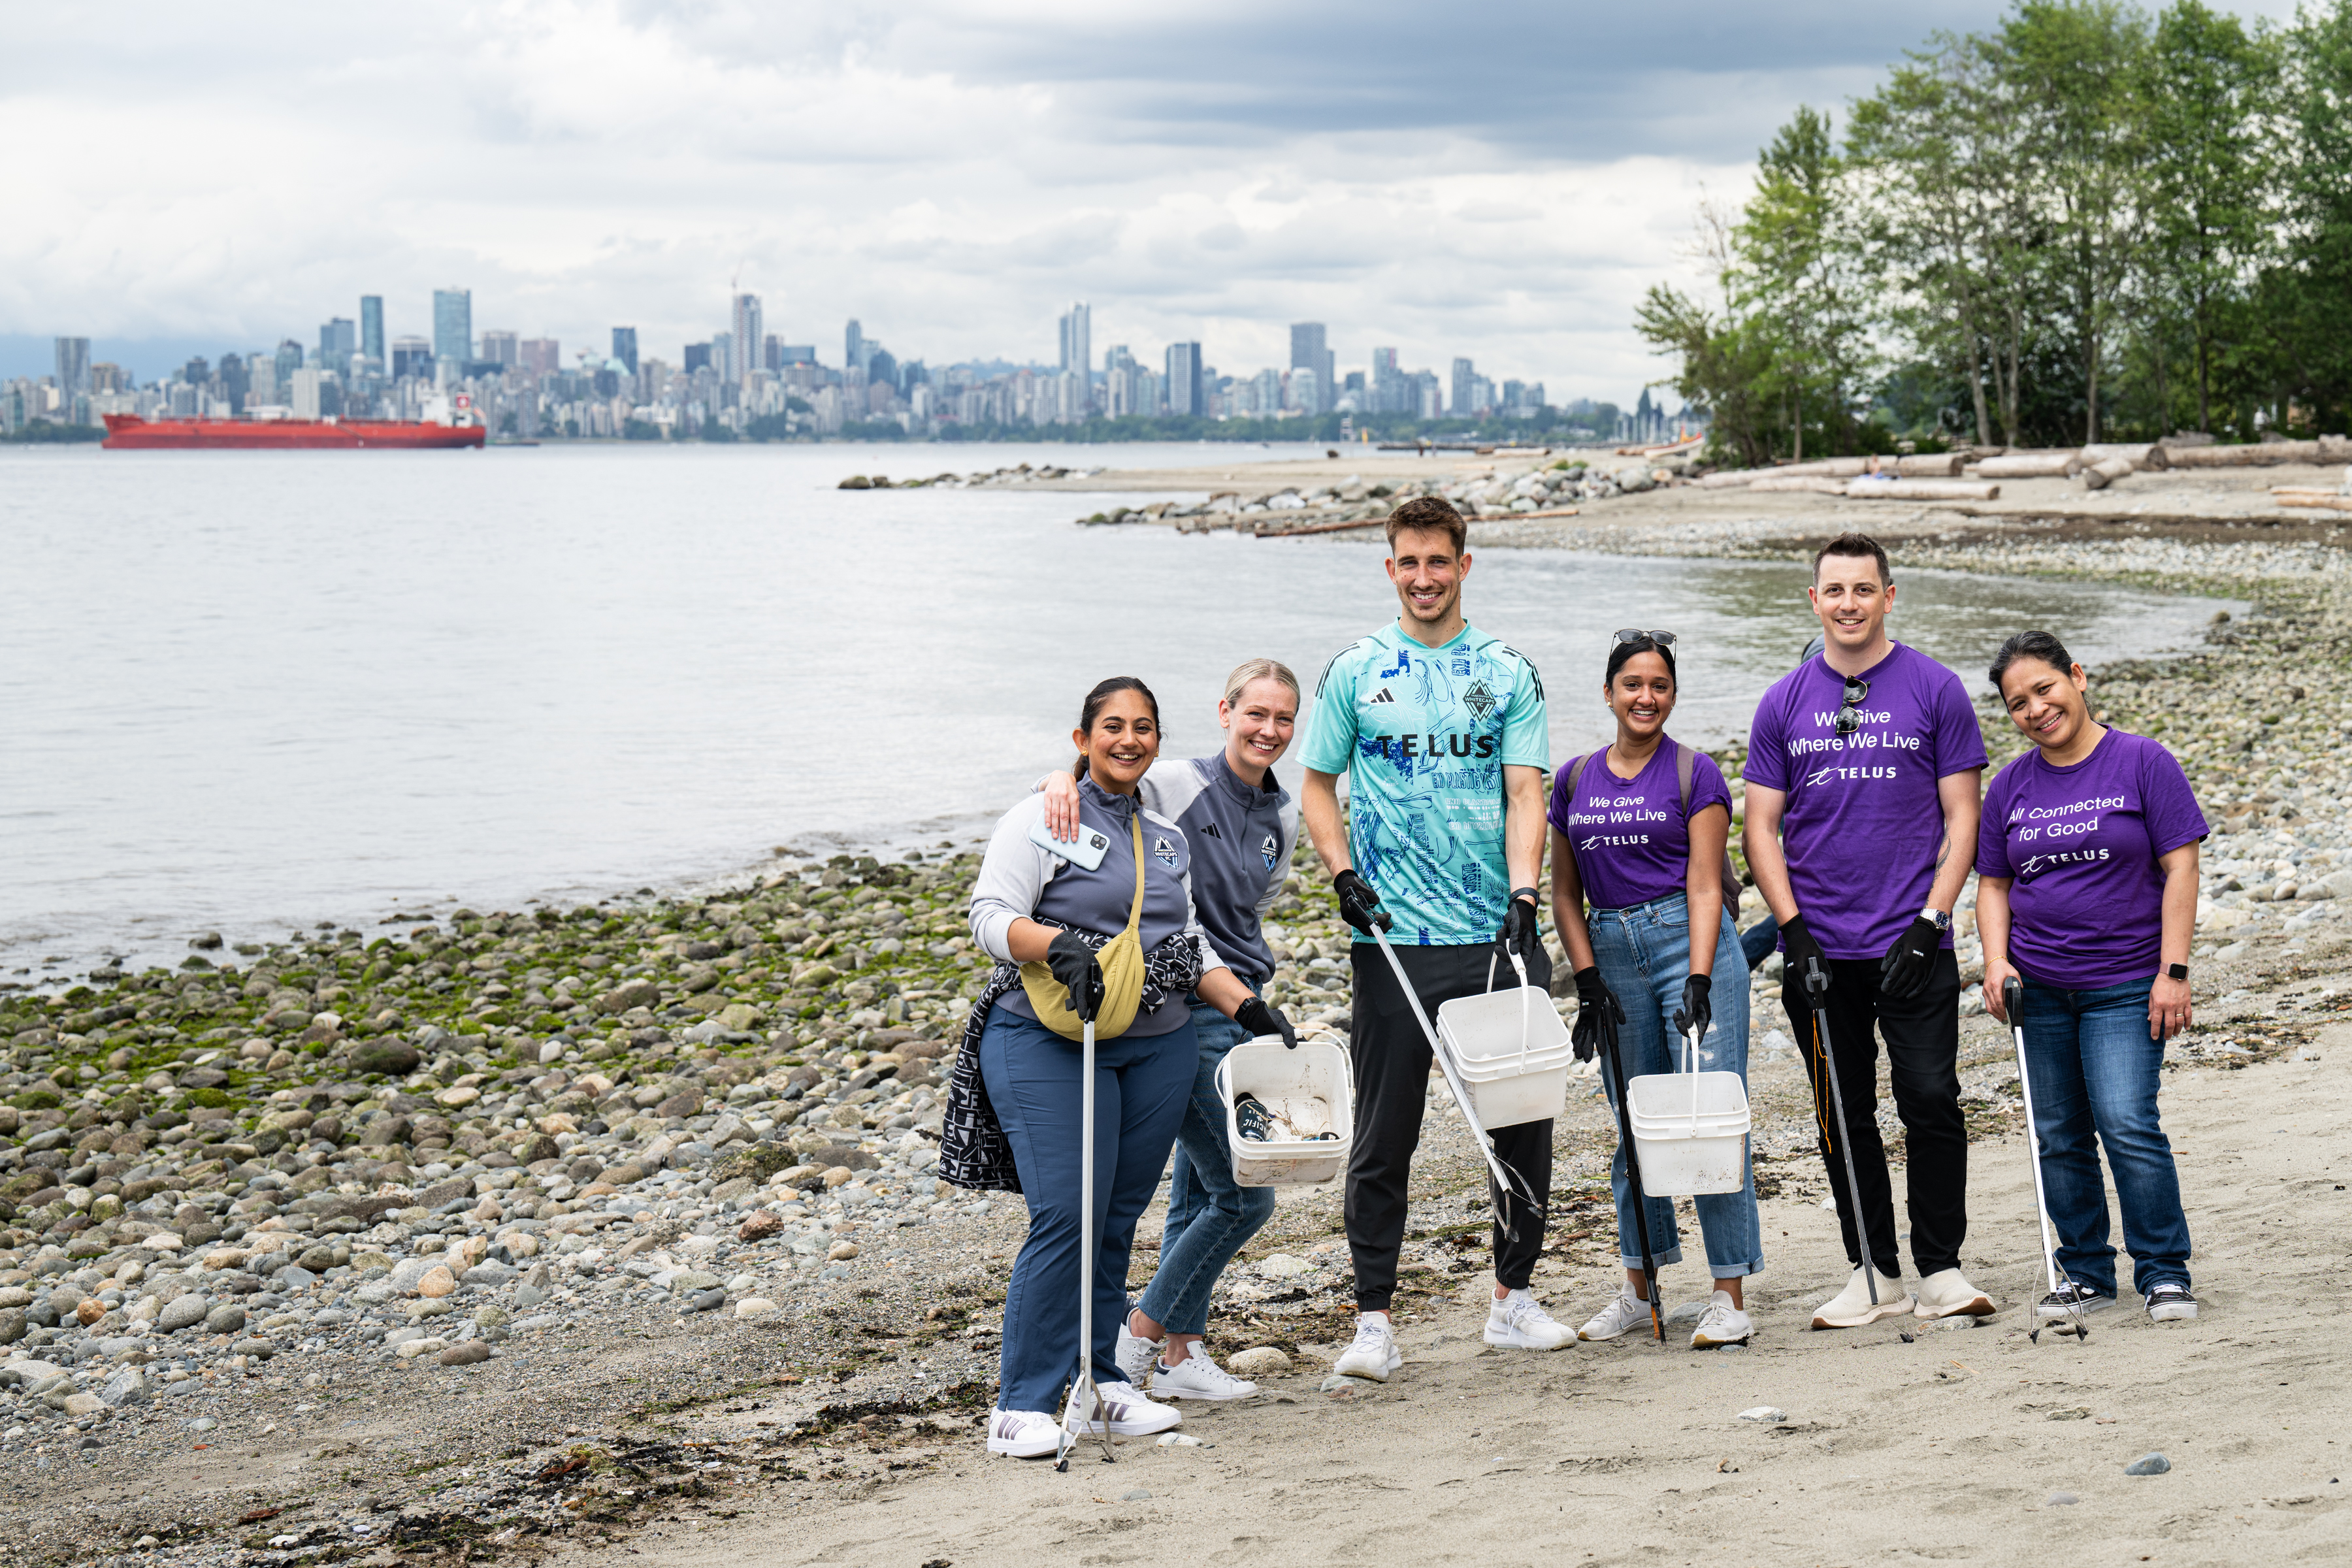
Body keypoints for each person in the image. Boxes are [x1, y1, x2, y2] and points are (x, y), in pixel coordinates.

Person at [945, 677, 1299, 1458]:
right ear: (1082, 739)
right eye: (1112, 726)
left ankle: (1104, 1382)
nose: (1128, 740)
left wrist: (1246, 1008)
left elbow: (1187, 944)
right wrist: (1054, 944)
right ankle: (1021, 1404)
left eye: (1143, 727)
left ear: (1157, 742)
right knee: (1068, 1213)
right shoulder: (1043, 815)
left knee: (1115, 1220)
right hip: (1047, 1037)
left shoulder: (1165, 837)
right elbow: (988, 915)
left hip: (1158, 1044)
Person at [1297, 495, 1572, 1382]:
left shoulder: (1506, 671)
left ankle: (1513, 1301)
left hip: (1494, 933)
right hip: (1392, 942)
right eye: (1408, 563)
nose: (1424, 578)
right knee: (1384, 1134)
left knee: (1519, 1123)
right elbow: (1317, 785)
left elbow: (1527, 792)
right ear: (1391, 568)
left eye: (1438, 562)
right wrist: (1343, 875)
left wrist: (1526, 893)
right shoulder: (1356, 671)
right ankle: (1373, 1320)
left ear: (1463, 565)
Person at [1034, 659, 1303, 1401]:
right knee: (1243, 1190)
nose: (1269, 730)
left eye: (1284, 719)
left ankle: (1182, 1358)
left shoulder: (1283, 814)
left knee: (1199, 1190)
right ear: (1226, 712)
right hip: (1181, 1010)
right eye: (1256, 714)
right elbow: (1099, 789)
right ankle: (1139, 1338)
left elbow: (1253, 908)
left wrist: (1252, 1002)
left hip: (1243, 1003)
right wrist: (1057, 778)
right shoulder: (1175, 783)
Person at [1742, 532, 1991, 1329]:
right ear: (1813, 600)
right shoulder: (1782, 701)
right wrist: (1793, 931)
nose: (1849, 603)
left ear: (1889, 596)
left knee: (1930, 1100)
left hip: (1913, 944)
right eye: (1834, 590)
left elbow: (1964, 816)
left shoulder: (1935, 688)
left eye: (1863, 589)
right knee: (1841, 1113)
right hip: (1820, 952)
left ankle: (1942, 1268)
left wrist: (1934, 918)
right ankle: (1873, 1272)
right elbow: (1760, 830)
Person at [1975, 630, 2206, 1324]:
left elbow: (2182, 868)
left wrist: (2174, 971)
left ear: (2076, 677)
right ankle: (2084, 1274)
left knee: (2127, 1121)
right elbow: (1992, 885)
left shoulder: (2142, 761)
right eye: (2019, 703)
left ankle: (2164, 1272)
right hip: (2039, 991)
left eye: (2044, 689)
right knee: (2059, 1134)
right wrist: (1995, 960)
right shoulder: (2011, 785)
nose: (2037, 709)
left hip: (2127, 983)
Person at [1548, 630, 1761, 1349]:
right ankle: (1641, 1287)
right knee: (1635, 1127)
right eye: (1632, 684)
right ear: (1608, 692)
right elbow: (1564, 893)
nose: (1646, 697)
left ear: (1672, 695)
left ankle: (1729, 1294)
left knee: (1709, 1120)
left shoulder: (1695, 774)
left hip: (1687, 943)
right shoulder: (1574, 778)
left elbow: (1706, 884)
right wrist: (1586, 982)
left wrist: (1699, 977)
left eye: (1659, 686)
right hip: (1610, 952)